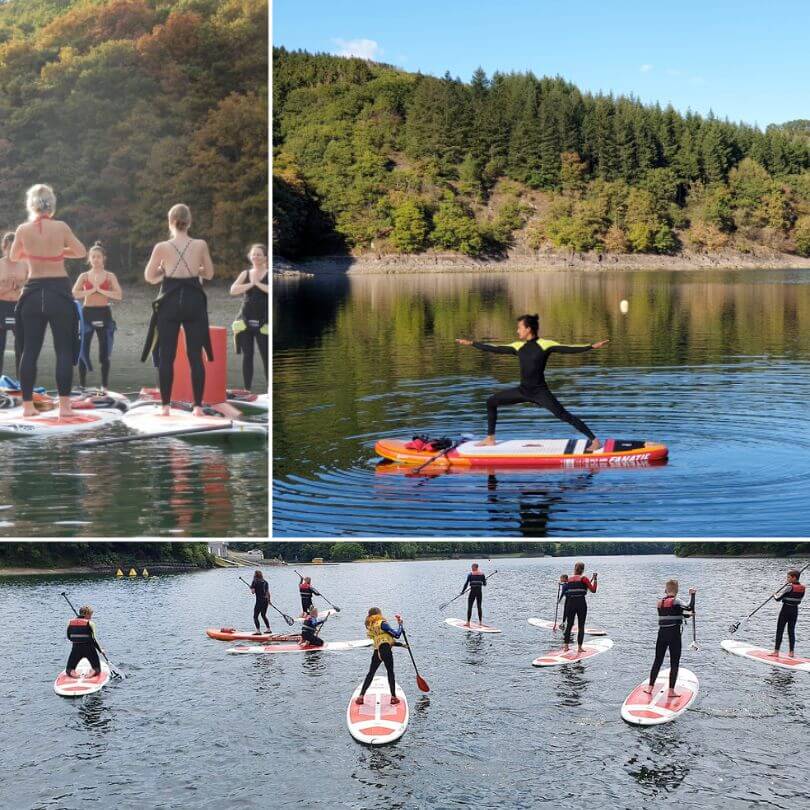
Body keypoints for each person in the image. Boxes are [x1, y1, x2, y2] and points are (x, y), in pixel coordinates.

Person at [455, 314, 609, 452]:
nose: (517, 331)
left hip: (540, 392)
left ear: (528, 329)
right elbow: (495, 348)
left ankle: (595, 441)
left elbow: (567, 348)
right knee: (491, 401)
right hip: (523, 391)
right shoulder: (518, 346)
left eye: (519, 328)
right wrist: (472, 344)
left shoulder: (545, 344)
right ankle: (490, 438)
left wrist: (590, 347)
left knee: (564, 415)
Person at [9, 184, 87, 417]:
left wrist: (32, 253)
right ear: (51, 205)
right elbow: (82, 251)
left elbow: (13, 256)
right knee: (63, 349)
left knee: (29, 351)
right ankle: (64, 407)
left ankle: (28, 407)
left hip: (32, 293)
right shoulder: (61, 227)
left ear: (31, 204)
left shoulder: (23, 229)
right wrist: (59, 252)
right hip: (58, 292)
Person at [142, 204, 214, 417]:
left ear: (170, 221)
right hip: (193, 300)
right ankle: (198, 407)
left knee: (167, 356)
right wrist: (196, 268)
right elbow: (209, 274)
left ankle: (165, 406)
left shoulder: (162, 246)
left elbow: (149, 276)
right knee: (195, 356)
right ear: (189, 221)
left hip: (169, 301)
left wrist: (164, 272)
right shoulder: (200, 244)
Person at [72, 242, 122, 392]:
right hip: (87, 314)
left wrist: (100, 290)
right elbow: (74, 293)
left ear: (104, 258)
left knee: (104, 353)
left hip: (104, 313)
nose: (96, 259)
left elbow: (119, 295)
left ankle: (104, 387)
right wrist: (90, 291)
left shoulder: (110, 276)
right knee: (83, 351)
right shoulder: (84, 276)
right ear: (89, 259)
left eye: (98, 257)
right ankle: (82, 386)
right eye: (93, 257)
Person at [644, 580, 696, 698]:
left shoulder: (659, 603)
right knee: (674, 662)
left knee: (658, 660)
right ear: (677, 591)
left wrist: (687, 615)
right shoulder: (677, 601)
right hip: (674, 636)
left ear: (665, 590)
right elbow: (689, 606)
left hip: (661, 634)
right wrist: (692, 595)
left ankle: (650, 687)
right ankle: (671, 691)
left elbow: (669, 614)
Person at [230, 244, 268, 391]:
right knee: (248, 356)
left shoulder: (268, 274)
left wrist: (257, 283)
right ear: (250, 256)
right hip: (245, 321)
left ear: (265, 257)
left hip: (264, 322)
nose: (256, 257)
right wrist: (250, 284)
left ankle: (269, 391)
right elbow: (233, 290)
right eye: (253, 254)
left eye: (259, 254)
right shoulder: (245, 274)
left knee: (266, 357)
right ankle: (247, 390)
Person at [355, 608, 404, 705]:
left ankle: (361, 696)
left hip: (377, 652)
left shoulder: (371, 626)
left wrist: (401, 645)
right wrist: (401, 625)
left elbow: (383, 639)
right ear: (379, 613)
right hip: (386, 651)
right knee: (390, 673)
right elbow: (397, 634)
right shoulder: (382, 623)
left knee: (371, 673)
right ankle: (393, 697)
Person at [0, 232, 26, 377]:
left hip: (19, 307)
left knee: (21, 347)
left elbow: (31, 284)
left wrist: (21, 285)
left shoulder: (24, 265)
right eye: (9, 248)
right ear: (4, 248)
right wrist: (9, 287)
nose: (12, 251)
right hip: (1, 307)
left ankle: (21, 383)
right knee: (0, 347)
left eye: (15, 248)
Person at [559, 562, 598, 652]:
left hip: (570, 603)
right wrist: (595, 580)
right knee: (581, 626)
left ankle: (566, 647)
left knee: (569, 625)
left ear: (574, 569)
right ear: (583, 569)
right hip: (581, 603)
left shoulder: (568, 579)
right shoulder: (584, 578)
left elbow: (570, 588)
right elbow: (593, 590)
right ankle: (579, 648)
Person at [772, 568, 805, 658]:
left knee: (780, 630)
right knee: (791, 631)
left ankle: (776, 652)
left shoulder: (789, 587)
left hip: (785, 610)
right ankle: (791, 652)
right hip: (795, 611)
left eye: (789, 577)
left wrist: (774, 594)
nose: (787, 579)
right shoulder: (803, 588)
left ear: (794, 578)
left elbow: (778, 599)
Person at [65, 605, 104, 678]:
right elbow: (93, 639)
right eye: (90, 615)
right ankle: (92, 672)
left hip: (76, 648)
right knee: (97, 668)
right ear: (86, 614)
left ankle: (73, 673)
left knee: (69, 669)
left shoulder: (70, 622)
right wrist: (100, 650)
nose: (91, 617)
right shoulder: (90, 623)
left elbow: (69, 637)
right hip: (89, 648)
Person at [249, 570, 271, 634]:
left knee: (255, 616)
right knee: (263, 615)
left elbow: (253, 592)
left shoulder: (254, 581)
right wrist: (269, 601)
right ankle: (268, 629)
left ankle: (258, 631)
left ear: (255, 575)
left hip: (259, 601)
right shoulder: (265, 582)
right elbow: (268, 593)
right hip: (265, 601)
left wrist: (251, 588)